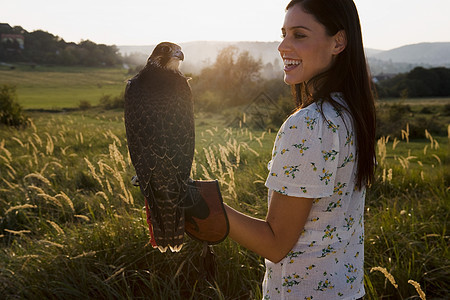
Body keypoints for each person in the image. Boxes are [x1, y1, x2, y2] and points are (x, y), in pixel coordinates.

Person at [219, 0, 376, 299]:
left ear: (338, 42)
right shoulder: (350, 113)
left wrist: (204, 205)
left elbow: (275, 243)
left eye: (299, 35)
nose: (282, 46)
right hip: (346, 291)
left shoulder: (309, 124)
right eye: (284, 34)